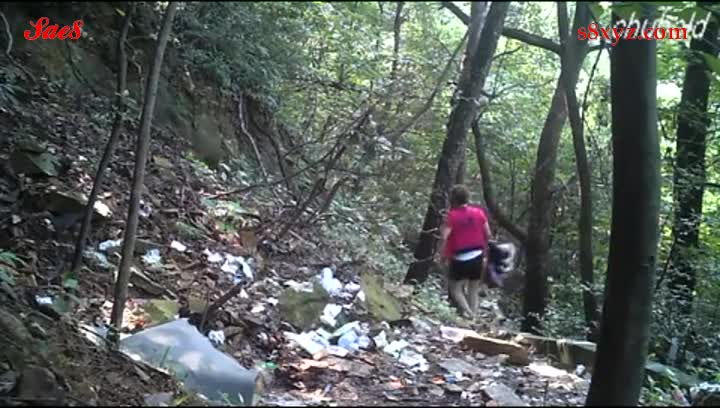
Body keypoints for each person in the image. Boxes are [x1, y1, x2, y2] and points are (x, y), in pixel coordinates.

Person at [440, 184, 492, 319]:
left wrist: (442, 255)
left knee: (455, 288)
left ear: (453, 199)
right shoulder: (479, 213)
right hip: (478, 255)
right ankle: (474, 317)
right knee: (473, 289)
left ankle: (470, 314)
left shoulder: (451, 216)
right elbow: (488, 234)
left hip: (459, 257)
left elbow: (444, 237)